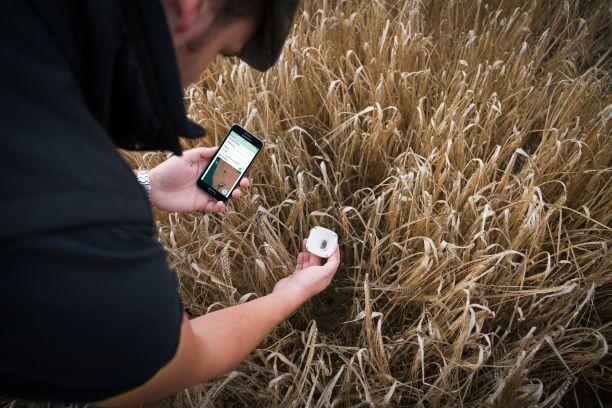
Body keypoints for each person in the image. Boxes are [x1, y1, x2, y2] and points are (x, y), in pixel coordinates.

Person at [0, 0, 341, 405]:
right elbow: (170, 365)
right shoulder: (87, 213)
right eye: (222, 50)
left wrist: (146, 185)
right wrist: (289, 293)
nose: (196, 78)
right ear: (190, 7)